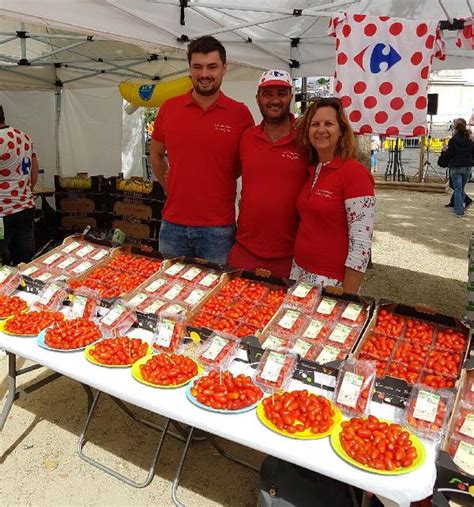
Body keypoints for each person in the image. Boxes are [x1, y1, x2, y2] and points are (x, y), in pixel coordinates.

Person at [150, 36, 254, 264]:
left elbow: (242, 165)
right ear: (190, 69)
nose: (204, 74)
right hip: (173, 225)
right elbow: (156, 154)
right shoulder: (170, 108)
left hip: (218, 229)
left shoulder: (240, 114)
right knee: (168, 292)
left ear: (224, 69)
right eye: (198, 67)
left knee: (215, 294)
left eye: (212, 67)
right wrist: (169, 186)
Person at [227, 70, 308, 277]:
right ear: (258, 98)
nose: (274, 100)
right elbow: (230, 172)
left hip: (291, 254)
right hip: (244, 248)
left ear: (291, 96)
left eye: (281, 93)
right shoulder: (247, 137)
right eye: (267, 93)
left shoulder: (306, 138)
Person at [291, 98, 375, 293]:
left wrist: (347, 296)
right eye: (315, 124)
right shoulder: (314, 169)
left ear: (342, 130)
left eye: (328, 124)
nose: (321, 130)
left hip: (331, 282)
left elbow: (361, 244)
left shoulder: (355, 173)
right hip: (299, 272)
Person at [0, 105, 38, 265]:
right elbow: (34, 172)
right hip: (24, 208)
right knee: (23, 262)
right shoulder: (24, 136)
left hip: (2, 213)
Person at [444, 118, 474, 217]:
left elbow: (451, 154)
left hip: (456, 166)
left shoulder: (453, 140)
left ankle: (459, 211)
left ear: (455, 128)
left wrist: (446, 150)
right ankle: (461, 206)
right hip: (467, 166)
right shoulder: (469, 139)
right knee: (461, 188)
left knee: (457, 189)